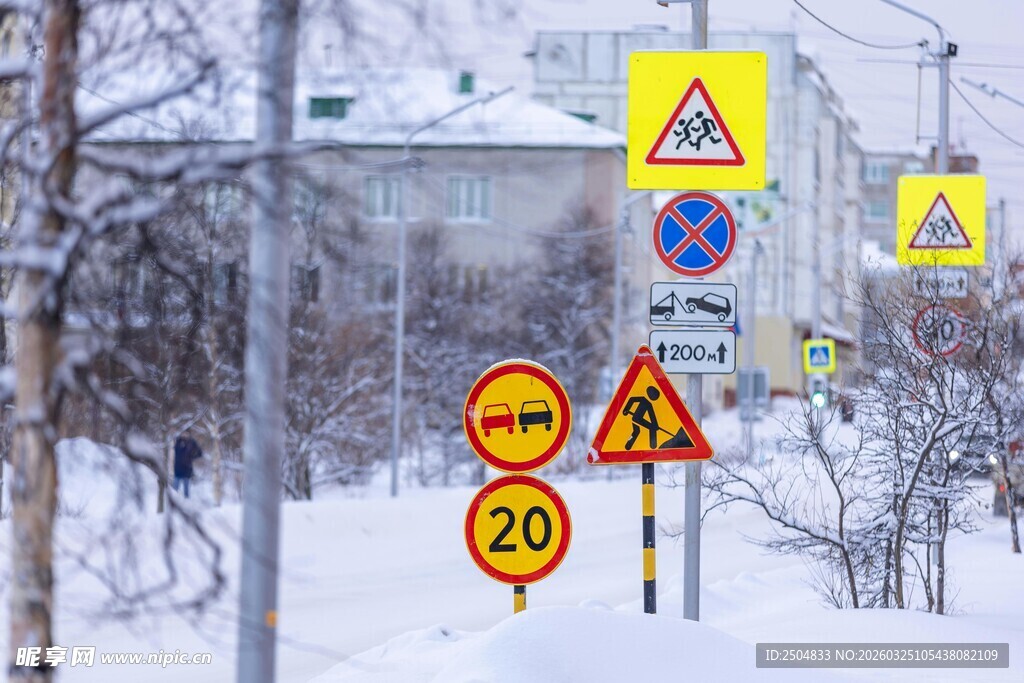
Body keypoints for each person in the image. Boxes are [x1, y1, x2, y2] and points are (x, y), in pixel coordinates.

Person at [173, 430, 203, 498]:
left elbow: (200, 453)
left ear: (189, 434)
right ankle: (173, 503)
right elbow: (175, 452)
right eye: (183, 433)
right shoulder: (178, 441)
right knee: (174, 489)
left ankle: (186, 503)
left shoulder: (192, 442)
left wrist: (192, 457)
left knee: (186, 490)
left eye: (186, 433)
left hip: (187, 468)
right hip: (177, 468)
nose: (184, 435)